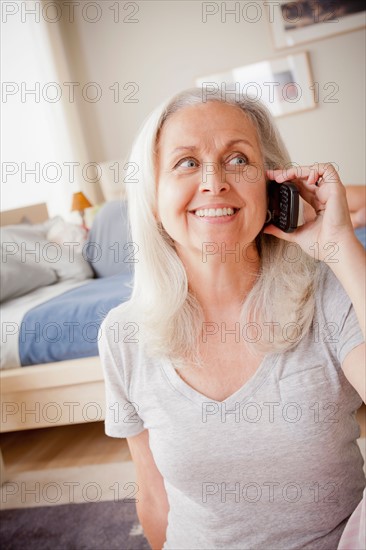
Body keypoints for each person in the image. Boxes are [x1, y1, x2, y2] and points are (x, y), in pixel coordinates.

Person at [98, 87, 366, 550]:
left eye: (238, 159)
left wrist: (340, 247)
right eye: (185, 163)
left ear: (272, 185)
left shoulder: (331, 297)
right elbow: (154, 495)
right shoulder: (123, 334)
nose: (214, 182)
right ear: (153, 199)